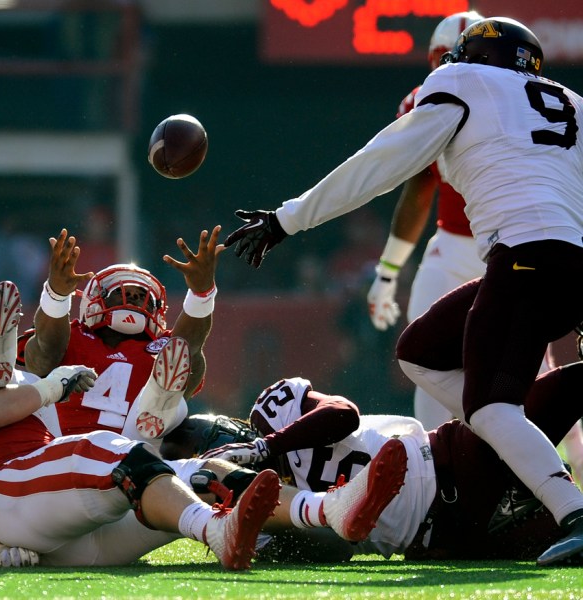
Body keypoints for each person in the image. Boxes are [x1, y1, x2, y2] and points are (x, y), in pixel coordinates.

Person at [222, 17, 583, 566]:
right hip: (564, 260)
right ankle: (507, 455)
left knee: (489, 405)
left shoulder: (459, 82)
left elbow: (382, 164)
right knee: (422, 350)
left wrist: (286, 221)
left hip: (524, 257)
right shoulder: (572, 103)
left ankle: (571, 511)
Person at [0, 280, 282, 570]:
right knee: (115, 451)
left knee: (196, 474)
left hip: (46, 527)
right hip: (23, 490)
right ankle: (215, 529)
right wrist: (49, 387)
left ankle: (323, 510)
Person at [164, 362, 583, 562]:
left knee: (573, 383)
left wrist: (268, 447)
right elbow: (335, 551)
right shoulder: (262, 510)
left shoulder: (273, 418)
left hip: (459, 463)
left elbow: (343, 413)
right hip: (448, 534)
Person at [366, 10, 483, 429]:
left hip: (512, 246)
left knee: (527, 371)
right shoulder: (423, 102)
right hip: (451, 246)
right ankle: (439, 470)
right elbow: (418, 191)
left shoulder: (516, 104)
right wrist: (388, 271)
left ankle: (562, 470)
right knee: (420, 354)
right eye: (446, 60)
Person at [21, 226, 223, 443]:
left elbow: (189, 347)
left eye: (142, 295)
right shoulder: (71, 334)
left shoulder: (164, 345)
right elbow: (42, 357)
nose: (134, 296)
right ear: (96, 300)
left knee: (186, 358)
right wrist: (57, 295)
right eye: (121, 291)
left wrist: (201, 295)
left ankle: (159, 402)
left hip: (133, 450)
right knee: (32, 371)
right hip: (61, 441)